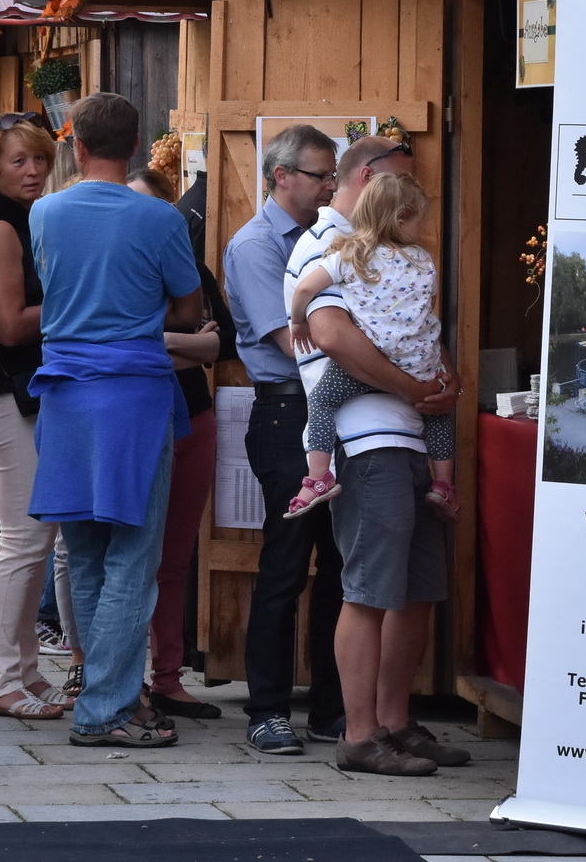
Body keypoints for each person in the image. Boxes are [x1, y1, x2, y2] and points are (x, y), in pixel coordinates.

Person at [287, 135, 466, 775]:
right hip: (369, 438)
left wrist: (444, 379)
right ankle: (359, 736)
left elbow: (418, 329)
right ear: (369, 180)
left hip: (410, 432)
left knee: (415, 588)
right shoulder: (329, 245)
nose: (413, 201)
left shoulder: (402, 255)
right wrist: (418, 389)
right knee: (367, 589)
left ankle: (393, 721)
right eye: (403, 186)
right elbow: (332, 335)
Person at [27, 93, 201, 749]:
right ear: (133, 146)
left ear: (76, 144)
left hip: (66, 393)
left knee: (90, 552)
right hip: (132, 392)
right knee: (134, 552)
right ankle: (106, 705)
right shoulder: (159, 217)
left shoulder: (45, 211)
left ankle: (108, 696)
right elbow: (186, 309)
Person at [222, 123, 347, 754]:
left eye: (333, 174)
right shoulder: (255, 246)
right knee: (286, 565)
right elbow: (296, 343)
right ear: (281, 177)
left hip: (341, 409)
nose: (330, 185)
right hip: (287, 411)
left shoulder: (333, 238)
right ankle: (266, 709)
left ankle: (332, 708)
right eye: (321, 174)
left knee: (341, 567)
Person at [0, 113, 68, 720]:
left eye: (39, 159)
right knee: (23, 540)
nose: (32, 170)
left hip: (27, 394)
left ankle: (23, 671)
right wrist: (79, 301)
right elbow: (8, 324)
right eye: (17, 161)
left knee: (36, 536)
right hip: (8, 395)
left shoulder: (21, 218)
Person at [127, 167, 237, 721]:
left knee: (173, 557)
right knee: (125, 557)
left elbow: (224, 345)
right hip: (135, 420)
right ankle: (122, 679)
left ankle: (167, 678)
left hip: (192, 416)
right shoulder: (115, 273)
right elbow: (117, 346)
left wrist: (155, 341)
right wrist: (187, 343)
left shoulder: (191, 269)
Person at [286, 172, 456, 520]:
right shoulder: (424, 260)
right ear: (401, 218)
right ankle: (442, 484)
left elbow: (304, 290)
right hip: (422, 364)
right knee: (441, 410)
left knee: (321, 399)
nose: (421, 230)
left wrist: (299, 320)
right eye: (419, 221)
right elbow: (424, 311)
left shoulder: (348, 254)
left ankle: (317, 477)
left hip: (374, 363)